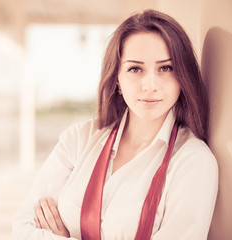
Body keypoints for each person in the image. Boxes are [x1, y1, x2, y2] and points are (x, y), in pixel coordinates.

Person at [12, 9, 218, 240]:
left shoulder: (193, 162)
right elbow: (23, 229)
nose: (150, 85)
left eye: (165, 68)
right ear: (117, 79)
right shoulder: (79, 139)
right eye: (135, 69)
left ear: (182, 76)